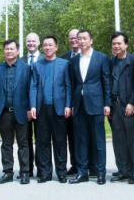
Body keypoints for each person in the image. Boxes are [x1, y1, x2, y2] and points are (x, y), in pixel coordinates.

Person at [68, 29, 111, 185]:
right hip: (79, 105)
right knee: (81, 140)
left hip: (96, 104)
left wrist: (107, 103)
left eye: (85, 38)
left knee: (98, 140)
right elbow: (72, 84)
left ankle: (100, 173)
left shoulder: (101, 58)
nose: (81, 41)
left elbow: (106, 82)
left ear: (91, 40)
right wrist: (71, 105)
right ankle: (82, 173)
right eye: (79, 38)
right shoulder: (73, 61)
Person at [29, 36, 71, 183]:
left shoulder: (65, 64)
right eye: (45, 45)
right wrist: (33, 106)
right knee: (43, 142)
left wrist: (68, 105)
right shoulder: (37, 65)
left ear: (56, 47)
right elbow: (33, 86)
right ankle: (45, 173)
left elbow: (68, 86)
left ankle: (61, 172)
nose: (47, 47)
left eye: (50, 45)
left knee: (60, 141)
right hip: (42, 108)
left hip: (59, 108)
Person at [0, 39, 32, 185]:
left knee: (23, 144)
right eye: (6, 49)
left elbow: (30, 90)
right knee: (6, 144)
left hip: (22, 112)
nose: (9, 51)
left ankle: (25, 172)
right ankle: (8, 172)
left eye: (11, 49)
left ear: (17, 51)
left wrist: (30, 109)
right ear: (4, 51)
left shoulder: (26, 68)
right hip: (4, 113)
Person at [108, 31, 134, 184]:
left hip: (129, 105)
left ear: (126, 44)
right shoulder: (110, 62)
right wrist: (108, 104)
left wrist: (132, 102)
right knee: (119, 140)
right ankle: (124, 170)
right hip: (115, 105)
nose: (116, 46)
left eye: (119, 43)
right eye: (114, 44)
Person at [19, 33, 44, 178]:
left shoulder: (45, 59)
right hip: (24, 106)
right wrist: (28, 107)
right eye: (28, 41)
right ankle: (27, 169)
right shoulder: (20, 61)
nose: (31, 43)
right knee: (25, 139)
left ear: (38, 42)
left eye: (34, 41)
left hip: (41, 106)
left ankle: (42, 169)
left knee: (41, 139)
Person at [60, 29, 81, 176]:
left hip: (85, 101)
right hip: (68, 102)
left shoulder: (88, 55)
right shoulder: (64, 57)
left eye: (76, 37)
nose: (73, 40)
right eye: (71, 38)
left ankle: (89, 164)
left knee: (85, 134)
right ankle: (75, 164)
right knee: (72, 135)